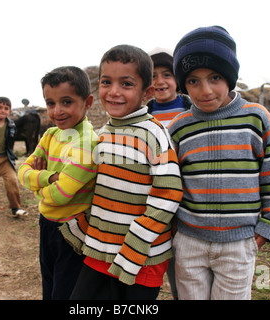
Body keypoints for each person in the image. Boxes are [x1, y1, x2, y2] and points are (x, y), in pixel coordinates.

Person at [168, 26, 270, 300]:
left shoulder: (256, 118)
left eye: (215, 77)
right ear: (183, 84)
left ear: (230, 77)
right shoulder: (178, 127)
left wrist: (268, 224)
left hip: (239, 243)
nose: (205, 90)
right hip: (189, 241)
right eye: (193, 81)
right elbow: (170, 182)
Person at [60, 45, 183, 300]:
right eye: (106, 82)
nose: (113, 92)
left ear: (146, 92)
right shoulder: (102, 134)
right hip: (100, 246)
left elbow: (168, 194)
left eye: (126, 84)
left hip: (143, 254)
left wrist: (138, 241)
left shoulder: (155, 135)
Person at [17, 66, 98, 300]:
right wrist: (48, 178)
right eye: (50, 103)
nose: (57, 111)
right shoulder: (50, 135)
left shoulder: (87, 144)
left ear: (88, 102)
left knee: (65, 292)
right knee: (49, 283)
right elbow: (22, 171)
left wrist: (36, 184)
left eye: (66, 102)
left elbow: (61, 194)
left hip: (72, 230)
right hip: (47, 223)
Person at [146, 47, 192, 300]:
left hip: (187, 205)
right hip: (152, 202)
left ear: (178, 79)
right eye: (153, 76)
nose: (160, 82)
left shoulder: (194, 113)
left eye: (167, 74)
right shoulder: (142, 116)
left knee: (183, 274)